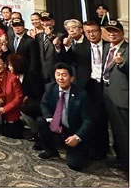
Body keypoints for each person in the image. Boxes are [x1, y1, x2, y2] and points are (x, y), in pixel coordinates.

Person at [55, 20, 109, 160]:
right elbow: (67, 60)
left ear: (100, 31)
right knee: (93, 117)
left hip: (107, 86)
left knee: (107, 119)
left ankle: (109, 150)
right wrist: (65, 48)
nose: (91, 34)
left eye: (94, 31)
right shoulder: (81, 47)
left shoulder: (109, 46)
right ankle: (96, 150)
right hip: (88, 86)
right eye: (88, 32)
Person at [37, 63, 93, 172]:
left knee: (75, 165)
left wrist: (77, 137)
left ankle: (77, 150)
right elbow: (44, 105)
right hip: (57, 126)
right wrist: (51, 119)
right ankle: (51, 151)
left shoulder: (81, 95)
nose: (60, 78)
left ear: (71, 78)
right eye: (58, 74)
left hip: (73, 131)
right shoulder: (50, 88)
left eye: (64, 75)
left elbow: (88, 120)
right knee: (41, 121)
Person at [101, 20, 128, 170]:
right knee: (115, 131)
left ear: (122, 33)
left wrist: (122, 63)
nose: (112, 34)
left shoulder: (128, 50)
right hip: (107, 94)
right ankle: (120, 159)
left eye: (115, 31)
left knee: (125, 133)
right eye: (109, 31)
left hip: (122, 98)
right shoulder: (107, 47)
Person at [9, 52, 44, 144]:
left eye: (10, 65)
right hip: (25, 100)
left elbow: (38, 92)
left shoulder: (31, 76)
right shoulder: (15, 76)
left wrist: (26, 97)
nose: (9, 67)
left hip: (36, 102)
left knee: (23, 108)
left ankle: (37, 133)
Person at [0, 54, 24, 138]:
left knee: (11, 135)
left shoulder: (13, 78)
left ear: (5, 65)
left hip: (11, 111)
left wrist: (5, 109)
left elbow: (18, 98)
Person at [37, 12, 64, 83]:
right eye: (43, 21)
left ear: (53, 22)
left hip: (54, 71)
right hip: (41, 72)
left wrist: (50, 35)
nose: (45, 23)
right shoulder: (38, 36)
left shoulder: (60, 35)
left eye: (47, 20)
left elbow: (60, 53)